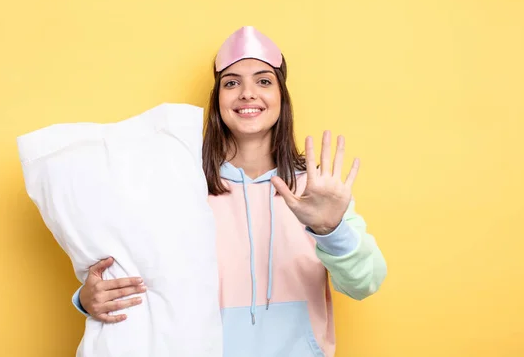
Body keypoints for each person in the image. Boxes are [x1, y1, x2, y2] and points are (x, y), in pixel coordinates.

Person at [71, 26, 387, 356]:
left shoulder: (317, 188)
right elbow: (138, 271)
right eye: (232, 82)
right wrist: (85, 298)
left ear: (282, 96)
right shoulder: (181, 183)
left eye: (263, 81)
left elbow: (365, 284)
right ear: (217, 99)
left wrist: (330, 229)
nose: (247, 93)